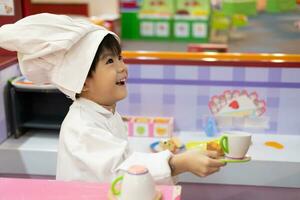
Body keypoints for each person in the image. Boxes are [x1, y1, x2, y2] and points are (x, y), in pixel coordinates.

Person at [0, 13, 225, 184]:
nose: (122, 67)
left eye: (120, 58)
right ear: (82, 81)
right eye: (110, 62)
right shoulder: (82, 126)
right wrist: (179, 163)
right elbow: (119, 170)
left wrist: (173, 160)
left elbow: (121, 160)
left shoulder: (105, 113)